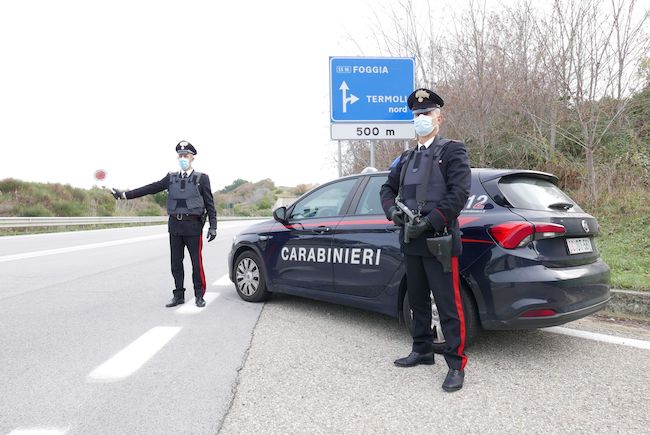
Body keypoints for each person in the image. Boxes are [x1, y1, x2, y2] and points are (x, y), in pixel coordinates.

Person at [380, 88, 471, 392]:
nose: (422, 119)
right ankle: (422, 350)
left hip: (440, 240)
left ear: (438, 118)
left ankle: (456, 364)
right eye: (417, 115)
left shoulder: (452, 151)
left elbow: (459, 194)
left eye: (427, 114)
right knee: (417, 299)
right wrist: (392, 211)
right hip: (411, 240)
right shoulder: (405, 158)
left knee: (448, 305)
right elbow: (386, 189)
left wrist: (431, 222)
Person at [111, 140, 218, 308]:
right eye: (180, 155)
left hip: (193, 227)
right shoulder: (171, 178)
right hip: (175, 226)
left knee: (196, 264)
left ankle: (199, 295)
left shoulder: (202, 179)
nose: (183, 158)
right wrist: (124, 195)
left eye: (186, 155)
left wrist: (213, 226)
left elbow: (210, 204)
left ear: (192, 158)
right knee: (176, 263)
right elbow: (151, 188)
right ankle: (179, 295)